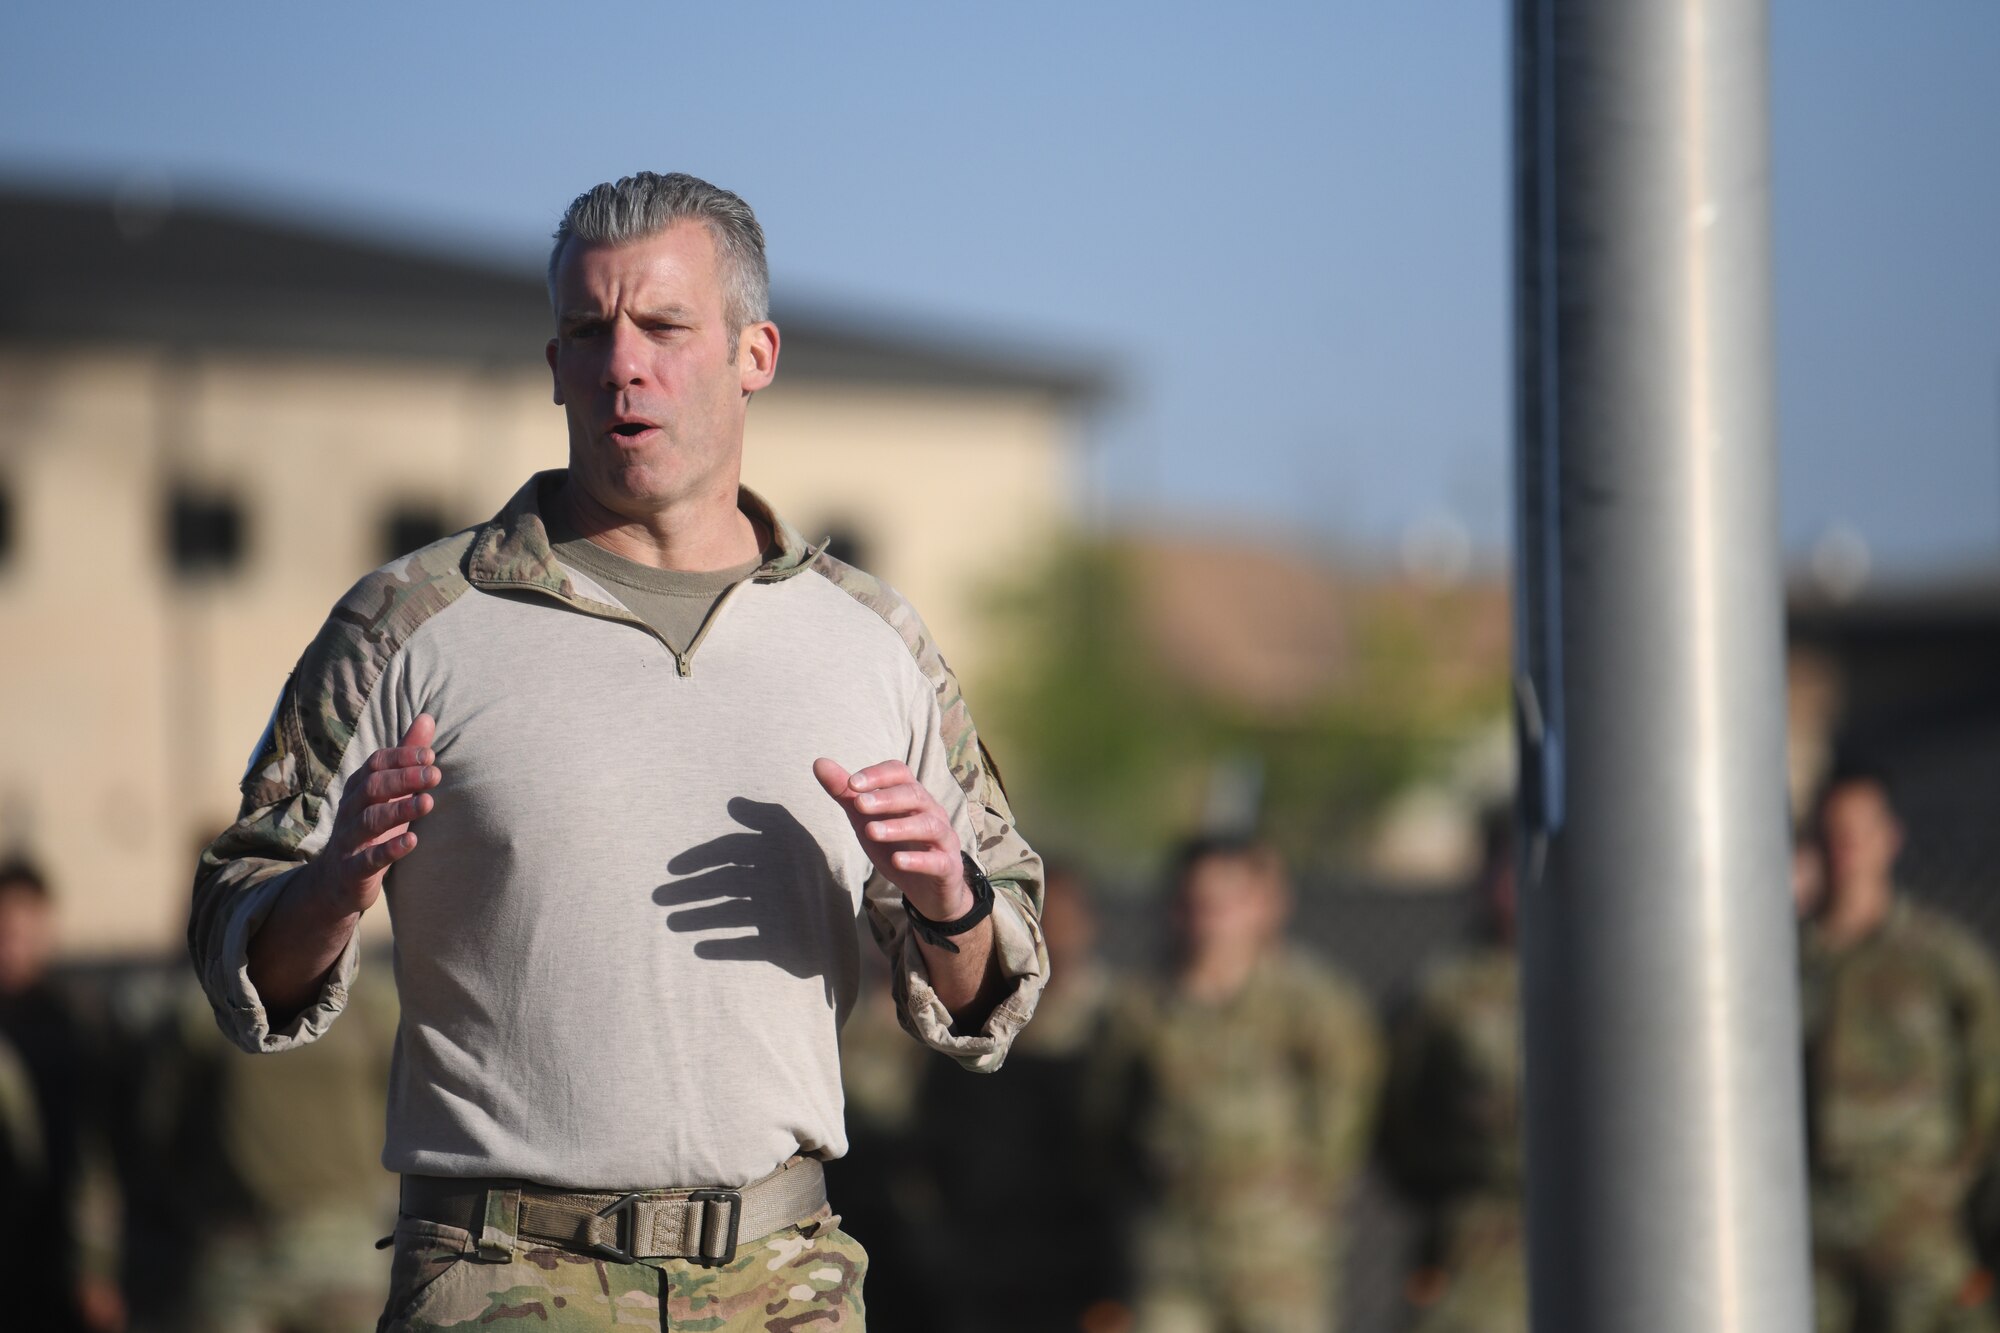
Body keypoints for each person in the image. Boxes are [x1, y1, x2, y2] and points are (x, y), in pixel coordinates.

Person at [187, 172, 1048, 1333]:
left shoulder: (871, 640)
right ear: (554, 368)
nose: (620, 364)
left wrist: (947, 900)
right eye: (586, 332)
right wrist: (331, 890)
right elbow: (237, 933)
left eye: (662, 326)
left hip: (781, 1280)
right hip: (502, 1278)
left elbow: (995, 984)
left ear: (755, 353)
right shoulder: (411, 620)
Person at [1096, 836, 1381, 1333]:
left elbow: (1345, 1108)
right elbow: (1103, 1118)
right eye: (1196, 904)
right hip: (1173, 1256)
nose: (1212, 919)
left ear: (1261, 906)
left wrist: (1305, 1197)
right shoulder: (1140, 1009)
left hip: (1278, 1256)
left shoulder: (1310, 1003)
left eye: (1226, 903)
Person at [1800, 768, 2000, 1333]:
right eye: (1833, 835)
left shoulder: (1942, 961)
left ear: (1890, 839)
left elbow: (1989, 1091)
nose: (1848, 853)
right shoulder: (1787, 965)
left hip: (1918, 1224)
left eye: (1860, 834)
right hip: (1811, 1230)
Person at [1377, 810, 1525, 1333]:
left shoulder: (1606, 977)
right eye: (1506, 867)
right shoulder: (1443, 993)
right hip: (1474, 1237)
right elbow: (1400, 1116)